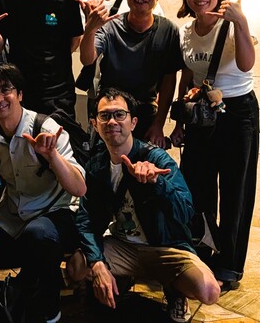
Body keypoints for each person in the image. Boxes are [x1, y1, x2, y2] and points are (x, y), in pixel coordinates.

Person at [68, 88, 220, 322]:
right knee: (77, 266)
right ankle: (119, 278)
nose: (112, 122)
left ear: (133, 122)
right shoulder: (97, 166)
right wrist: (97, 264)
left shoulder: (156, 158)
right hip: (123, 245)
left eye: (119, 114)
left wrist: (157, 183)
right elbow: (86, 219)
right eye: (104, 116)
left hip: (164, 247)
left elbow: (185, 211)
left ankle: (174, 290)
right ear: (95, 124)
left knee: (208, 290)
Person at [0, 63, 86, 322]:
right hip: (14, 214)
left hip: (55, 211)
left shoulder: (46, 128)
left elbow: (79, 188)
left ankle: (49, 305)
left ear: (20, 94)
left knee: (38, 235)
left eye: (6, 89)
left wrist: (52, 156)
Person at [169, 0, 259, 290]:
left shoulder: (233, 25)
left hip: (237, 114)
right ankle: (204, 253)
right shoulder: (186, 31)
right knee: (197, 187)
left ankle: (229, 265)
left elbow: (247, 64)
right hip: (201, 114)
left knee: (235, 191)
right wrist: (179, 120)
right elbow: (187, 75)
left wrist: (242, 22)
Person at [79, 0, 182, 147]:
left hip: (146, 114)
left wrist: (158, 125)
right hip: (111, 112)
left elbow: (169, 80)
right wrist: (90, 29)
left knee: (146, 164)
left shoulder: (168, 30)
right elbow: (87, 59)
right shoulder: (110, 25)